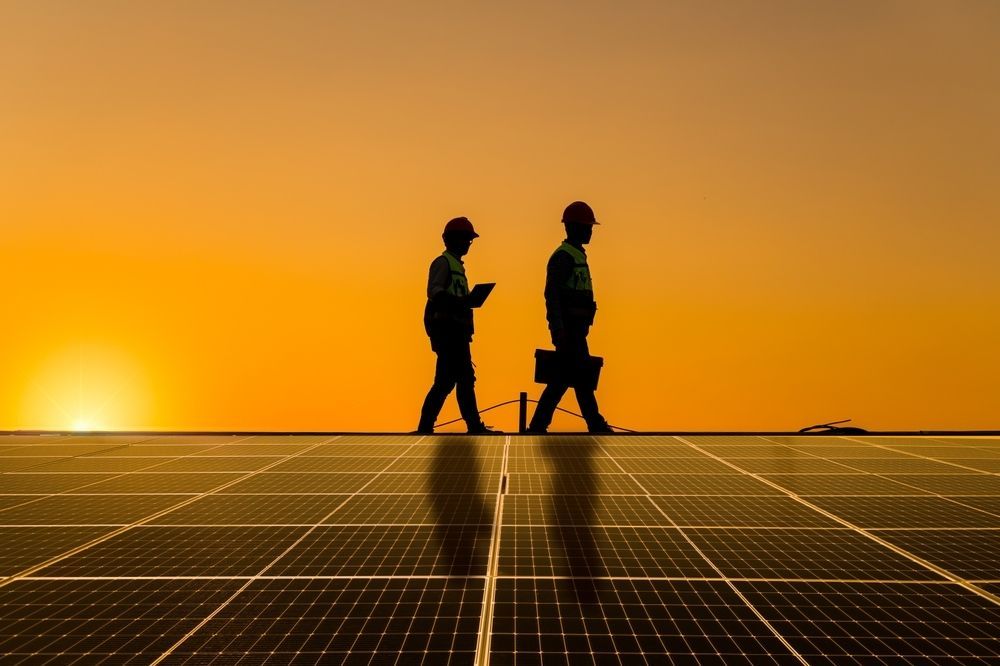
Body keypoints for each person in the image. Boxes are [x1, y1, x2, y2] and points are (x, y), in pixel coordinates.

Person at [528, 201, 613, 434]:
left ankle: (540, 425)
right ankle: (594, 423)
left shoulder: (576, 256)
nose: (590, 231)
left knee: (566, 379)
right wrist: (558, 330)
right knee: (576, 379)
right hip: (569, 331)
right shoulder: (564, 257)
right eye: (587, 227)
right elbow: (552, 295)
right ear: (574, 228)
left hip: (576, 330)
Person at [417, 217, 499, 434]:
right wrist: (459, 303)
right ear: (451, 240)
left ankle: (438, 426)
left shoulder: (457, 267)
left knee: (454, 381)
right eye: (464, 239)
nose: (467, 244)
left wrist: (467, 302)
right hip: (448, 333)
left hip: (458, 334)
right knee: (454, 381)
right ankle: (466, 425)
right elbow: (434, 292)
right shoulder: (443, 263)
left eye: (469, 240)